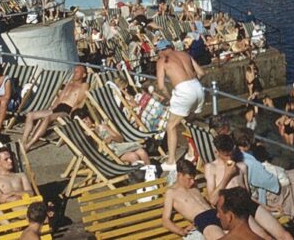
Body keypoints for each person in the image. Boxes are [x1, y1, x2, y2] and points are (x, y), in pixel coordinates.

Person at [155, 43, 205, 171]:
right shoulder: (185, 54)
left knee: (171, 126)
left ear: (162, 51)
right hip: (197, 87)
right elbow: (201, 72)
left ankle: (171, 162)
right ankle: (191, 153)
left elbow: (161, 86)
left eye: (158, 52)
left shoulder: (162, 60)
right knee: (189, 122)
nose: (158, 55)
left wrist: (170, 97)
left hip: (184, 91)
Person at [21, 64, 89, 151]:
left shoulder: (84, 85)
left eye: (77, 72)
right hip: (57, 108)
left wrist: (72, 114)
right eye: (74, 71)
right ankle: (24, 140)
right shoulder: (69, 83)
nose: (74, 73)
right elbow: (60, 97)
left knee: (47, 118)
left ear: (84, 75)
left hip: (67, 111)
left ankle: (29, 145)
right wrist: (52, 107)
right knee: (30, 115)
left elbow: (79, 101)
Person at [162, 159, 225, 239]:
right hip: (203, 220)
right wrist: (181, 231)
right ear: (179, 175)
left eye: (193, 178)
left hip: (216, 213)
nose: (192, 182)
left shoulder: (194, 185)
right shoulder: (171, 192)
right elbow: (165, 220)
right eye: (189, 179)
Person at [79, 111, 150, 164]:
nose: (87, 121)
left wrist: (112, 138)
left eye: (86, 118)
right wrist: (104, 142)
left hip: (120, 147)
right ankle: (141, 178)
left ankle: (151, 179)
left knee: (142, 152)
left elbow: (120, 139)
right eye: (83, 121)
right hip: (110, 155)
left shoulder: (103, 127)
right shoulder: (86, 136)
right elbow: (95, 151)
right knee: (133, 156)